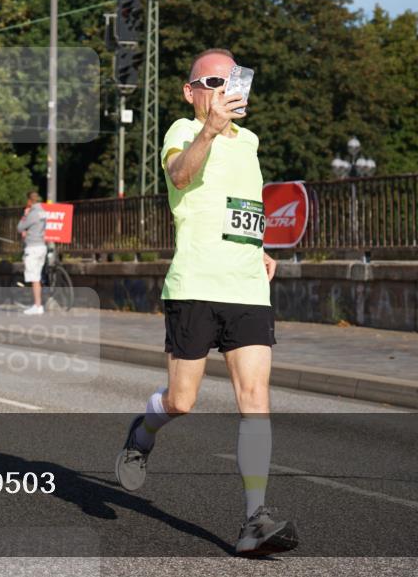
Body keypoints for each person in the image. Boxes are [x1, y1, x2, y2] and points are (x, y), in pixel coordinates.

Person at [113, 49, 297, 556]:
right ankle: (143, 430)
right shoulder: (180, 131)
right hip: (195, 286)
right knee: (182, 401)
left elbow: (243, 205)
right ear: (190, 90)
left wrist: (260, 249)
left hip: (246, 289)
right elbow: (181, 178)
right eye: (212, 80)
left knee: (255, 398)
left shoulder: (252, 141)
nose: (223, 87)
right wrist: (210, 131)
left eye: (231, 78)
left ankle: (255, 518)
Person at [16, 190, 48, 315]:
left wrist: (25, 214)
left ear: (29, 201)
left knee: (34, 278)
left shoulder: (33, 213)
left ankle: (37, 305)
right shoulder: (42, 212)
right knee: (37, 276)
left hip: (33, 248)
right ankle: (37, 304)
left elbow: (20, 227)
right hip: (41, 246)